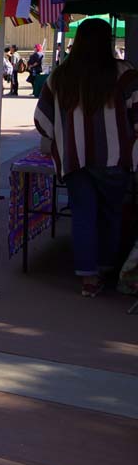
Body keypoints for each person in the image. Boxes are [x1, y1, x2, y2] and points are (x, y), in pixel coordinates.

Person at [34, 17, 138, 298]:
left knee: (82, 214)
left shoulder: (60, 75)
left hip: (74, 159)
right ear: (108, 42)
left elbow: (42, 119)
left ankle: (88, 278)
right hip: (115, 160)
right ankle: (105, 269)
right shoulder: (124, 73)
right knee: (111, 215)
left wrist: (65, 135)